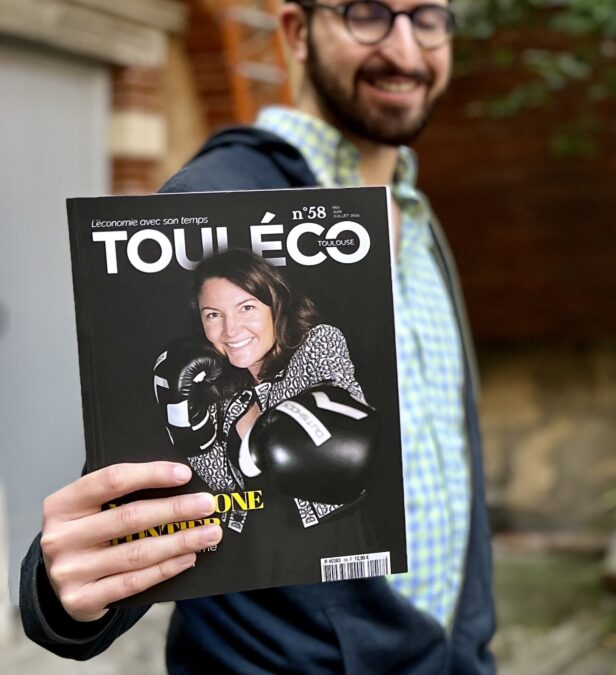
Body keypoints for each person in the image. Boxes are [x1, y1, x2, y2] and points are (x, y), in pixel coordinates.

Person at [20, 0, 495, 671]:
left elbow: (456, 459)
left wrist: (470, 640)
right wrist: (62, 588)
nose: (406, 50)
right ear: (297, 32)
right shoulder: (208, 204)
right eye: (367, 14)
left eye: (428, 18)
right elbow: (142, 490)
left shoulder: (418, 217)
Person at [156, 248, 373, 535]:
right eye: (213, 315)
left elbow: (346, 423)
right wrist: (186, 428)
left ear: (276, 305)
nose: (231, 330)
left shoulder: (318, 344)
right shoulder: (213, 385)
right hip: (254, 550)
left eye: (247, 307)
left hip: (329, 536)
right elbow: (222, 487)